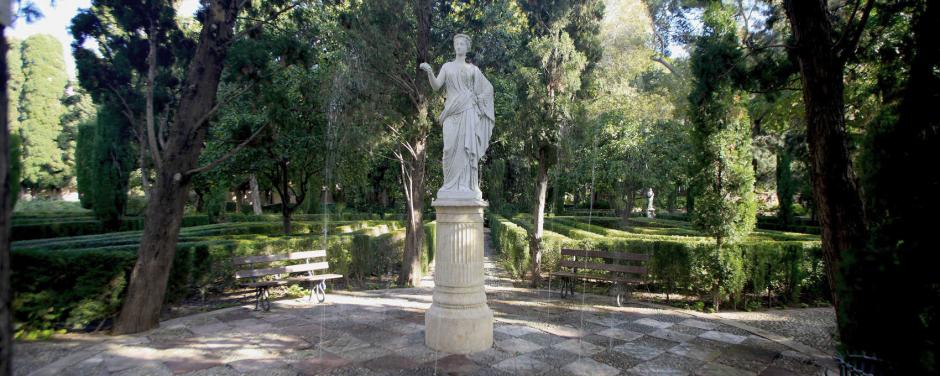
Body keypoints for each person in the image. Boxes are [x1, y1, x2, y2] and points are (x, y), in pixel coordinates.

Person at [420, 33, 494, 200]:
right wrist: (430, 72)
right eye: (457, 44)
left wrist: (477, 99)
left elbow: (488, 89)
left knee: (467, 150)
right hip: (451, 113)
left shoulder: (473, 70)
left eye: (462, 44)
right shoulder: (447, 67)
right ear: (454, 46)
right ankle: (449, 185)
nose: (459, 46)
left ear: (467, 48)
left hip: (468, 112)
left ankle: (466, 186)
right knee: (448, 149)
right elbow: (436, 86)